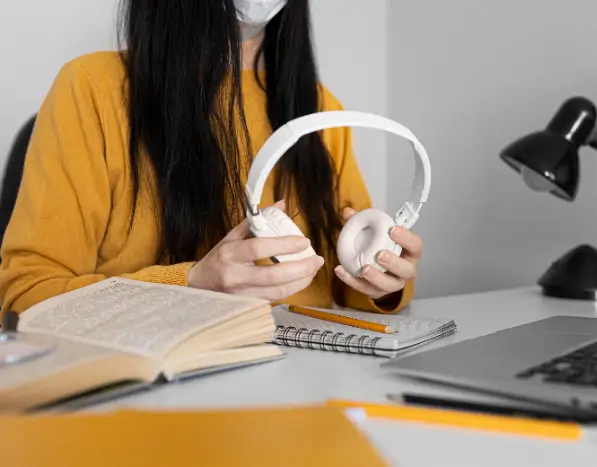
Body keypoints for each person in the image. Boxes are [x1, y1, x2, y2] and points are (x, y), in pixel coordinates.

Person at [0, 0, 424, 316]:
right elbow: (25, 296)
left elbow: (349, 286)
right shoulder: (92, 88)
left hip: (299, 389)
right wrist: (190, 283)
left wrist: (382, 279)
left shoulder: (319, 110)